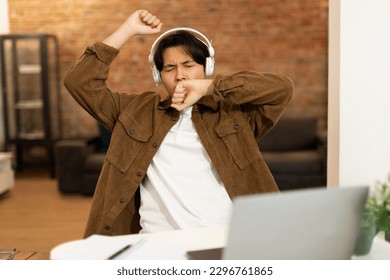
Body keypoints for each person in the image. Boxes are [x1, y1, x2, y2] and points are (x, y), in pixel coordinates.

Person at [64, 9, 293, 238]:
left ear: (207, 68)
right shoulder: (136, 111)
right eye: (169, 68)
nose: (180, 75)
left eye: (189, 65)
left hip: (224, 239)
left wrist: (207, 87)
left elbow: (281, 89)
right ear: (158, 76)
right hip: (156, 243)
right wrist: (128, 30)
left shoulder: (232, 114)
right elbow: (79, 82)